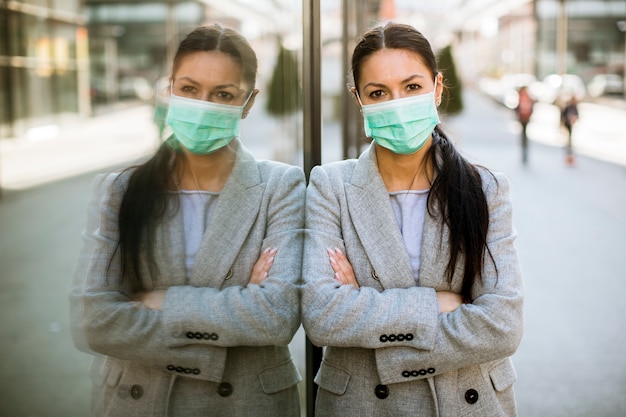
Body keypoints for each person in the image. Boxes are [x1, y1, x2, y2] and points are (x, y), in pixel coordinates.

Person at [70, 24, 304, 417]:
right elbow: (96, 320)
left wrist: (161, 302)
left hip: (245, 402)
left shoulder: (280, 186)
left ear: (248, 103)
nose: (203, 105)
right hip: (141, 399)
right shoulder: (120, 189)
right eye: (190, 89)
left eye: (223, 94)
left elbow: (276, 318)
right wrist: (238, 305)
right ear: (170, 89)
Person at [301, 22, 524, 416]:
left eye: (412, 87)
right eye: (377, 93)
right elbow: (323, 317)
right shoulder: (330, 186)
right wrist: (439, 304)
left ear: (437, 88)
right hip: (363, 404)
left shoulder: (486, 188)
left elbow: (501, 325)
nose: (397, 103)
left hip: (466, 401)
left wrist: (363, 306)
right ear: (358, 99)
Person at [515, 86, 534, 164]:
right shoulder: (527, 97)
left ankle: (524, 150)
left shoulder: (522, 96)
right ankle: (524, 150)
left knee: (524, 134)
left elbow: (517, 107)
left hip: (523, 117)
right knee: (524, 134)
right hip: (525, 117)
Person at [561, 95, 579, 166]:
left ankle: (569, 145)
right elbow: (563, 115)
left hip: (571, 124)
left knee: (570, 135)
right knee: (567, 135)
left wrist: (574, 119)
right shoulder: (568, 107)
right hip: (567, 124)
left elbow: (577, 115)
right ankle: (567, 145)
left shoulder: (575, 107)